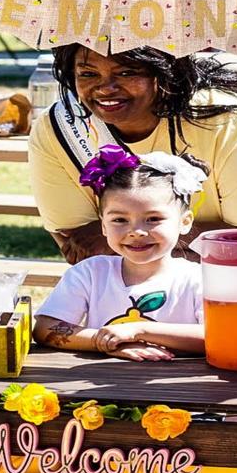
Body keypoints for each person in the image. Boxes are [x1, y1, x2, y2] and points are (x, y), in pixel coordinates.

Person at [29, 45, 237, 276]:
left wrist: (128, 232)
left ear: (163, 73)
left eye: (126, 72)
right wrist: (206, 236)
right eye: (87, 74)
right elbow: (78, 243)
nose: (106, 88)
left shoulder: (228, 121)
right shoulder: (58, 127)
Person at [33, 145, 206, 362]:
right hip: (99, 389)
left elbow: (218, 337)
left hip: (181, 391)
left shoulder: (198, 278)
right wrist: (103, 341)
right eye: (119, 220)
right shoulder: (90, 273)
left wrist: (140, 331)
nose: (136, 232)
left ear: (184, 222)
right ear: (103, 226)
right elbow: (45, 328)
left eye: (153, 219)